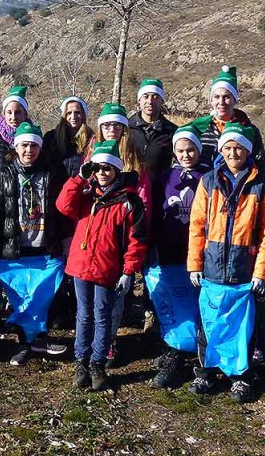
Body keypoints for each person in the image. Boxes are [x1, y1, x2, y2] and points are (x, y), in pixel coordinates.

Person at [187, 123, 265, 403]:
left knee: (243, 326)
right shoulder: (209, 181)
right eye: (227, 147)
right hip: (212, 267)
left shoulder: (262, 185)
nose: (232, 152)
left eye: (238, 146)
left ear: (248, 150)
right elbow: (197, 225)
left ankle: (241, 376)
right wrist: (195, 264)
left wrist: (261, 272)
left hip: (243, 269)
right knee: (209, 322)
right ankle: (205, 370)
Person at [56, 140, 148, 391]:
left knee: (102, 316)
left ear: (117, 170)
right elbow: (64, 206)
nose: (102, 173)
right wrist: (79, 178)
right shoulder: (87, 195)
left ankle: (97, 361)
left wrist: (129, 270)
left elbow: (137, 241)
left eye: (108, 168)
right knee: (83, 315)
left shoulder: (129, 202)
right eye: (98, 168)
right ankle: (81, 361)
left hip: (107, 269)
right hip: (80, 266)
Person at [0, 121, 68, 365]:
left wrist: (65, 239)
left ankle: (40, 338)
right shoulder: (3, 175)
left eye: (33, 145)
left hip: (46, 246)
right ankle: (26, 344)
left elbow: (64, 211)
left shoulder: (54, 174)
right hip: (16, 247)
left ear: (40, 148)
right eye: (23, 145)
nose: (28, 150)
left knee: (43, 296)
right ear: (16, 146)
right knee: (21, 297)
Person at [149, 125, 211, 389]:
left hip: (201, 252)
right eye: (181, 150)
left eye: (191, 150)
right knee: (172, 303)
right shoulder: (165, 177)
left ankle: (195, 357)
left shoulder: (209, 177)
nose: (186, 155)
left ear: (199, 150)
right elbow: (155, 211)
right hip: (169, 249)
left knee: (197, 304)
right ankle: (173, 351)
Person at [92, 102, 152, 366]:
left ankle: (110, 339)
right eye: (107, 125)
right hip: (96, 234)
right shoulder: (92, 154)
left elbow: (144, 198)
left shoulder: (135, 158)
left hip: (124, 231)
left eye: (117, 125)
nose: (112, 129)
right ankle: (94, 337)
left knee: (118, 290)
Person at [0, 85, 31, 330]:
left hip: (22, 203)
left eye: (18, 112)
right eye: (10, 112)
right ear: (3, 113)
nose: (14, 116)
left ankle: (14, 301)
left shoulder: (29, 139)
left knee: (15, 253)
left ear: (25, 115)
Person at [42, 96, 94, 329]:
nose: (74, 117)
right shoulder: (51, 139)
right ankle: (58, 307)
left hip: (82, 205)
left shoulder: (92, 139)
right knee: (57, 256)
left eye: (78, 112)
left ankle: (78, 307)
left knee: (77, 253)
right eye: (70, 112)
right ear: (63, 114)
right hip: (55, 204)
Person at [191, 65, 265, 175]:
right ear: (211, 100)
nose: (221, 102)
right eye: (216, 97)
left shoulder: (249, 130)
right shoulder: (199, 129)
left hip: (240, 188)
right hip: (203, 188)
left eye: (226, 97)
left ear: (234, 99)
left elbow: (260, 165)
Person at [127, 79, 179, 180]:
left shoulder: (172, 131)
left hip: (159, 191)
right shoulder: (126, 128)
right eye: (146, 97)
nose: (150, 101)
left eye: (155, 97)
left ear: (162, 101)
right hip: (129, 190)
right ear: (139, 100)